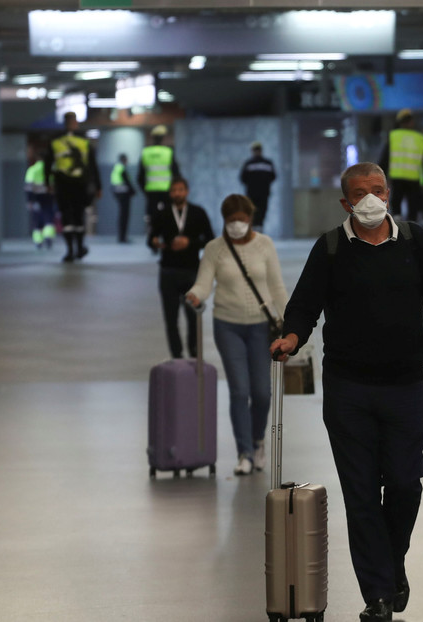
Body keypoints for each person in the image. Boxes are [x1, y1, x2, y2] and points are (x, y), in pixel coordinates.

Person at [270, 162, 423, 622]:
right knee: (360, 494)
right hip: (348, 390)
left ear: (389, 193)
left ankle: (391, 563)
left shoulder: (415, 241)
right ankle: (377, 594)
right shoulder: (332, 248)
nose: (370, 199)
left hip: (405, 386)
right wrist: (292, 336)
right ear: (346, 202)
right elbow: (304, 304)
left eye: (377, 190)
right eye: (360, 193)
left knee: (404, 483)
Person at [186, 195, 286, 476]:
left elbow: (277, 287)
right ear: (224, 221)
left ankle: (257, 442)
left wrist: (292, 323)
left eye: (241, 220)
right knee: (239, 390)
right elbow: (204, 282)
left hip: (260, 326)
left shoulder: (265, 245)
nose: (236, 226)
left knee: (262, 393)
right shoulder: (214, 249)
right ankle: (243, 451)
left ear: (250, 218)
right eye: (231, 221)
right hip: (227, 325)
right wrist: (195, 295)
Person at [150, 178, 214, 360]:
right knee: (171, 318)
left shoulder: (197, 212)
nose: (177, 193)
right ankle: (176, 355)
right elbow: (151, 238)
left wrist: (190, 243)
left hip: (191, 272)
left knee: (193, 317)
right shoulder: (161, 214)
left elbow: (210, 239)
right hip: (168, 271)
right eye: (174, 190)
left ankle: (194, 353)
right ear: (170, 193)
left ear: (187, 191)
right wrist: (154, 242)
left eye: (181, 190)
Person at [48, 111, 101, 263]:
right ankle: (78, 248)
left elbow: (48, 163)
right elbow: (92, 164)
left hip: (62, 184)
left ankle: (71, 251)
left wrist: (48, 182)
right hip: (79, 185)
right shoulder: (83, 140)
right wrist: (98, 185)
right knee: (78, 218)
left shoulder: (56, 141)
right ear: (75, 122)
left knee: (67, 219)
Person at [378, 108, 423, 222]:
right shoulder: (420, 138)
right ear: (412, 122)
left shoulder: (393, 136)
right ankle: (412, 230)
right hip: (414, 178)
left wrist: (382, 177)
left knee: (396, 205)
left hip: (397, 177)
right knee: (413, 207)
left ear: (399, 122)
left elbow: (385, 158)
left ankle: (397, 230)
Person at [139, 125, 181, 250]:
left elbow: (140, 176)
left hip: (151, 191)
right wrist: (175, 190)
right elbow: (176, 173)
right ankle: (168, 240)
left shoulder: (146, 152)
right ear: (163, 138)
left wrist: (145, 190)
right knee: (168, 215)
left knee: (152, 217)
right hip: (167, 190)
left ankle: (152, 241)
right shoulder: (168, 152)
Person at [239, 141, 277, 230]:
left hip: (253, 193)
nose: (257, 151)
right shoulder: (267, 163)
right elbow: (273, 177)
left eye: (257, 150)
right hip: (263, 193)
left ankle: (256, 229)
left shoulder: (249, 164)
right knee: (260, 212)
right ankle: (258, 229)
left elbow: (243, 178)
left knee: (256, 212)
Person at [24, 147, 56, 251]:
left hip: (36, 198)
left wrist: (29, 200)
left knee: (36, 221)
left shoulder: (32, 170)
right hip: (48, 197)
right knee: (48, 218)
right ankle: (48, 237)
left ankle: (38, 241)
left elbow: (28, 187)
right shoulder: (51, 170)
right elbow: (54, 185)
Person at [111, 153, 137, 244]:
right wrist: (133, 191)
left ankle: (122, 236)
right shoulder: (121, 168)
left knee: (122, 216)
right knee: (124, 216)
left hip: (119, 193)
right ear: (124, 160)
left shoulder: (117, 167)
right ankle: (122, 237)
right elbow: (127, 181)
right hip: (124, 194)